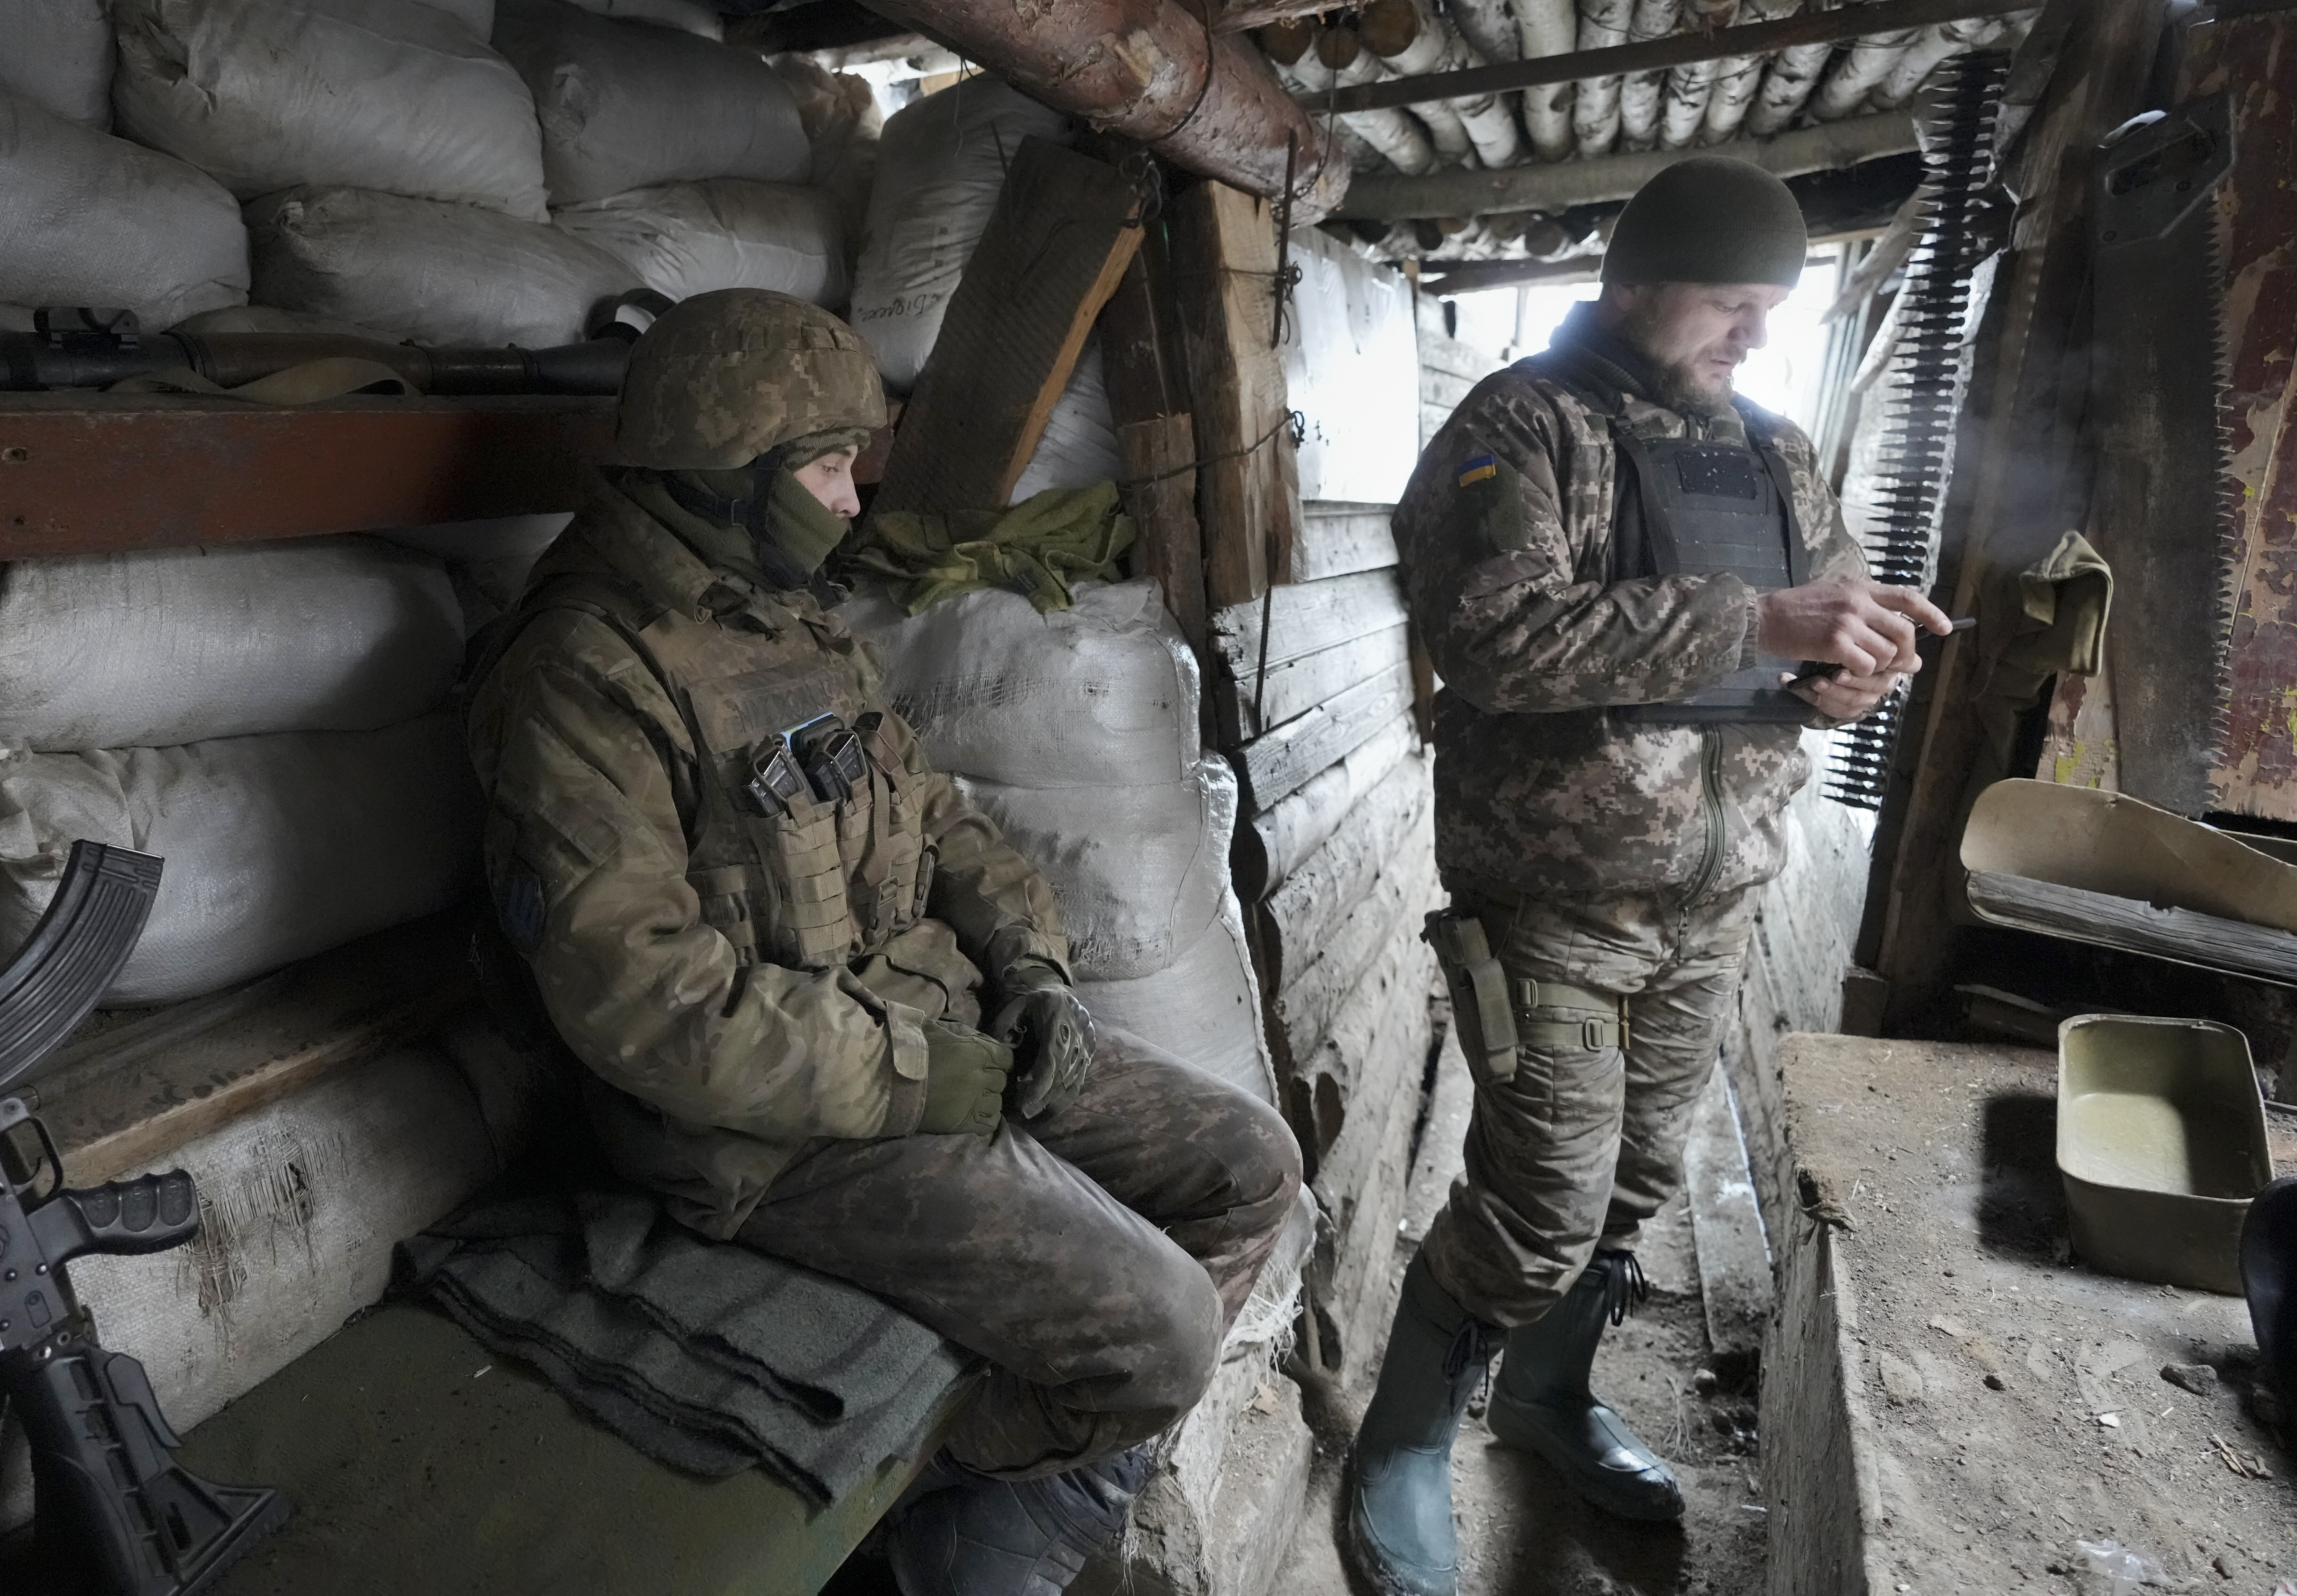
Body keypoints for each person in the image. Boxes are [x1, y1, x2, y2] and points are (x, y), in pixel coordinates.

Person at [464, 289, 1303, 1596]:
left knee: (1251, 1167)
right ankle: (948, 1544)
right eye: (827, 468)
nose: (854, 501)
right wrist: (918, 1076)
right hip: (766, 1132)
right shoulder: (585, 676)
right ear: (725, 473)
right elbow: (645, 999)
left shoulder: (783, 617)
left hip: (933, 1041)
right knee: (1164, 1335)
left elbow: (944, 825)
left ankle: (1003, 1501)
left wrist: (1032, 970)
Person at [1347, 157, 1950, 1596]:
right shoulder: (1520, 427)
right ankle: (1403, 1443)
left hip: (1716, 889)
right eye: (1729, 305)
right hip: (1556, 900)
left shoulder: (1777, 450)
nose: (1753, 336)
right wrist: (1759, 615)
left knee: (1630, 1188)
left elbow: (1816, 630)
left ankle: (1548, 1404)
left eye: (1770, 312)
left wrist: (1848, 673)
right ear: (1631, 286)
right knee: (1539, 1202)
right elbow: (1493, 637)